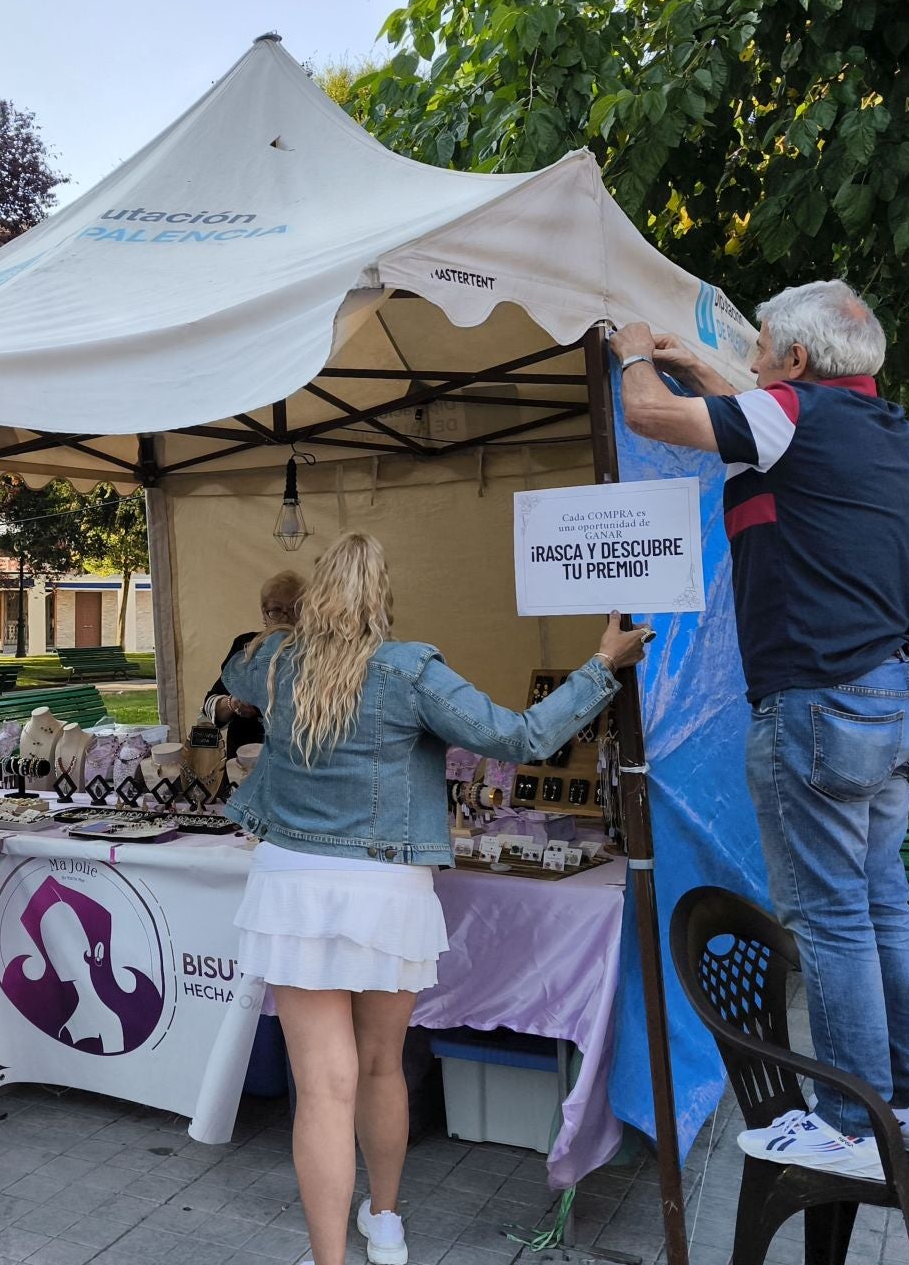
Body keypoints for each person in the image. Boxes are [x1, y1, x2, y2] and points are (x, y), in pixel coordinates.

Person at [222, 532, 647, 1265]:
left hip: (292, 883)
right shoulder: (408, 670)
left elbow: (233, 663)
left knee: (324, 1089)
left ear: (317, 596)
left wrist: (281, 630)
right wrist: (603, 663)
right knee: (382, 1066)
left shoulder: (276, 662)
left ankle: (330, 1261)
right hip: (386, 886)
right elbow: (521, 734)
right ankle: (384, 1224)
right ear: (383, 599)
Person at [609, 280, 909, 1181]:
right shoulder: (878, 426)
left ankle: (848, 1126)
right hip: (893, 696)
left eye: (762, 352)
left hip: (819, 703)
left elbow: (646, 413)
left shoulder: (791, 413)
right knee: (882, 912)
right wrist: (707, 365)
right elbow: (765, 410)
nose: (753, 366)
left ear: (795, 364)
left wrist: (638, 352)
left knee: (834, 921)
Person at [203, 570, 302, 757]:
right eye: (276, 610)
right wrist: (233, 703)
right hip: (245, 761)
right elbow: (209, 706)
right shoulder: (246, 646)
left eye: (296, 608)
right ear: (264, 614)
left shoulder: (320, 651)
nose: (287, 618)